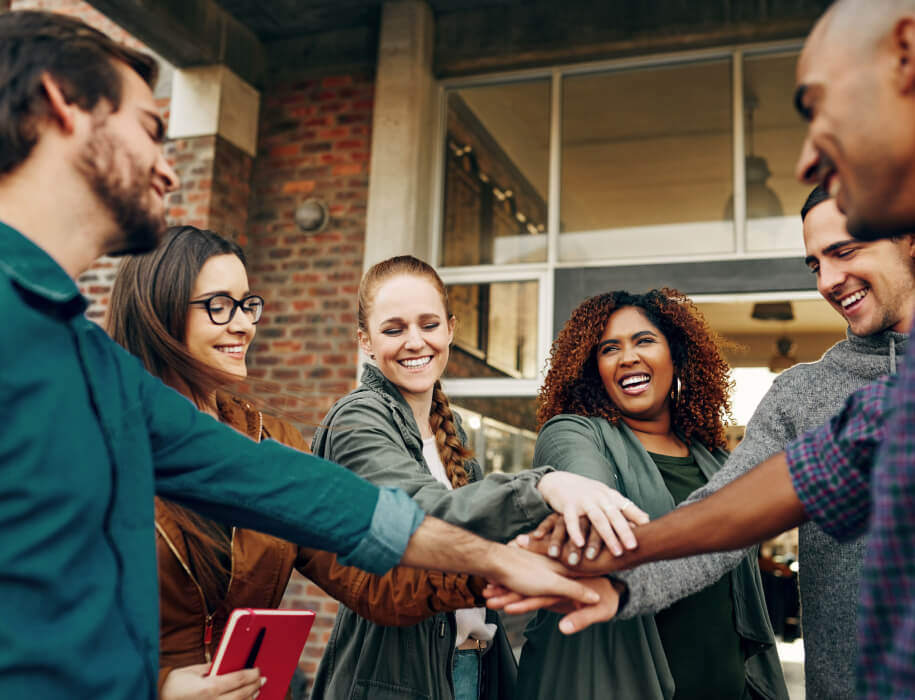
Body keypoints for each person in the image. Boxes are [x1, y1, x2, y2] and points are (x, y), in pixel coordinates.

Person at [0, 11, 614, 697]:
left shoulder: (98, 368)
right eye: (150, 129)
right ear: (62, 105)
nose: (168, 171)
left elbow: (314, 498)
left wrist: (502, 562)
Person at [489, 11, 915, 698]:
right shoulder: (807, 397)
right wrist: (617, 579)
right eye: (812, 263)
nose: (827, 279)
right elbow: (726, 517)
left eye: (844, 250)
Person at [107, 225, 502, 699]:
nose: (243, 324)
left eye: (248, 304)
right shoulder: (94, 446)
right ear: (159, 313)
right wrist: (160, 687)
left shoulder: (272, 441)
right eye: (219, 306)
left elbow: (370, 584)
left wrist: (495, 571)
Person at [309, 256, 649, 700]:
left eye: (428, 325)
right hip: (392, 680)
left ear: (450, 329)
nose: (415, 342)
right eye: (394, 329)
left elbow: (480, 541)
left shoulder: (449, 430)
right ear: (365, 340)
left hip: (471, 669)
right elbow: (416, 512)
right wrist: (544, 486)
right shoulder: (356, 418)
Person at [514, 289, 787, 700]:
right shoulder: (574, 432)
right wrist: (583, 511)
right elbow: (589, 493)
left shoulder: (713, 458)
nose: (628, 358)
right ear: (595, 369)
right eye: (610, 349)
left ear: (675, 356)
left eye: (644, 341)